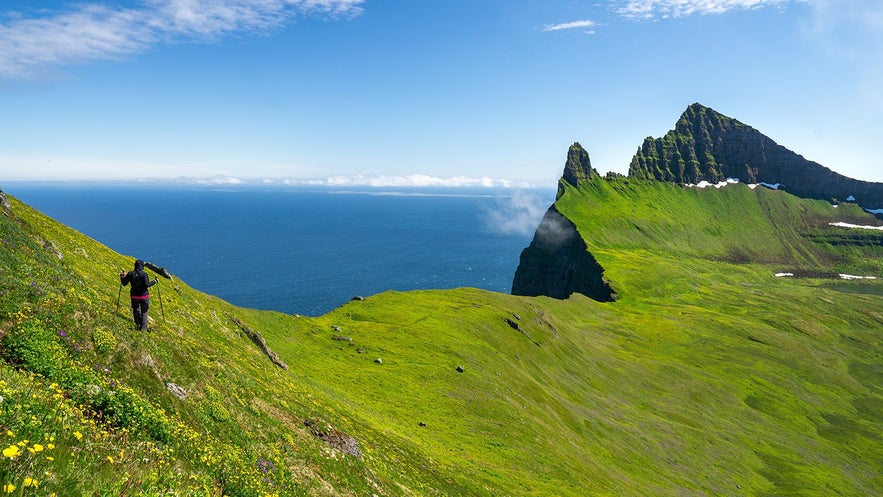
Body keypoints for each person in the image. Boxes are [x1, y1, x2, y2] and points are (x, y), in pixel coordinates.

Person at [119, 259, 158, 331]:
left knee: (135, 309)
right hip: (144, 296)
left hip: (134, 296)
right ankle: (143, 329)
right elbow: (147, 285)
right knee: (144, 312)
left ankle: (137, 325)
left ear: (135, 265)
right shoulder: (144, 274)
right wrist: (154, 281)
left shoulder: (130, 274)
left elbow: (124, 283)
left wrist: (122, 277)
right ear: (142, 266)